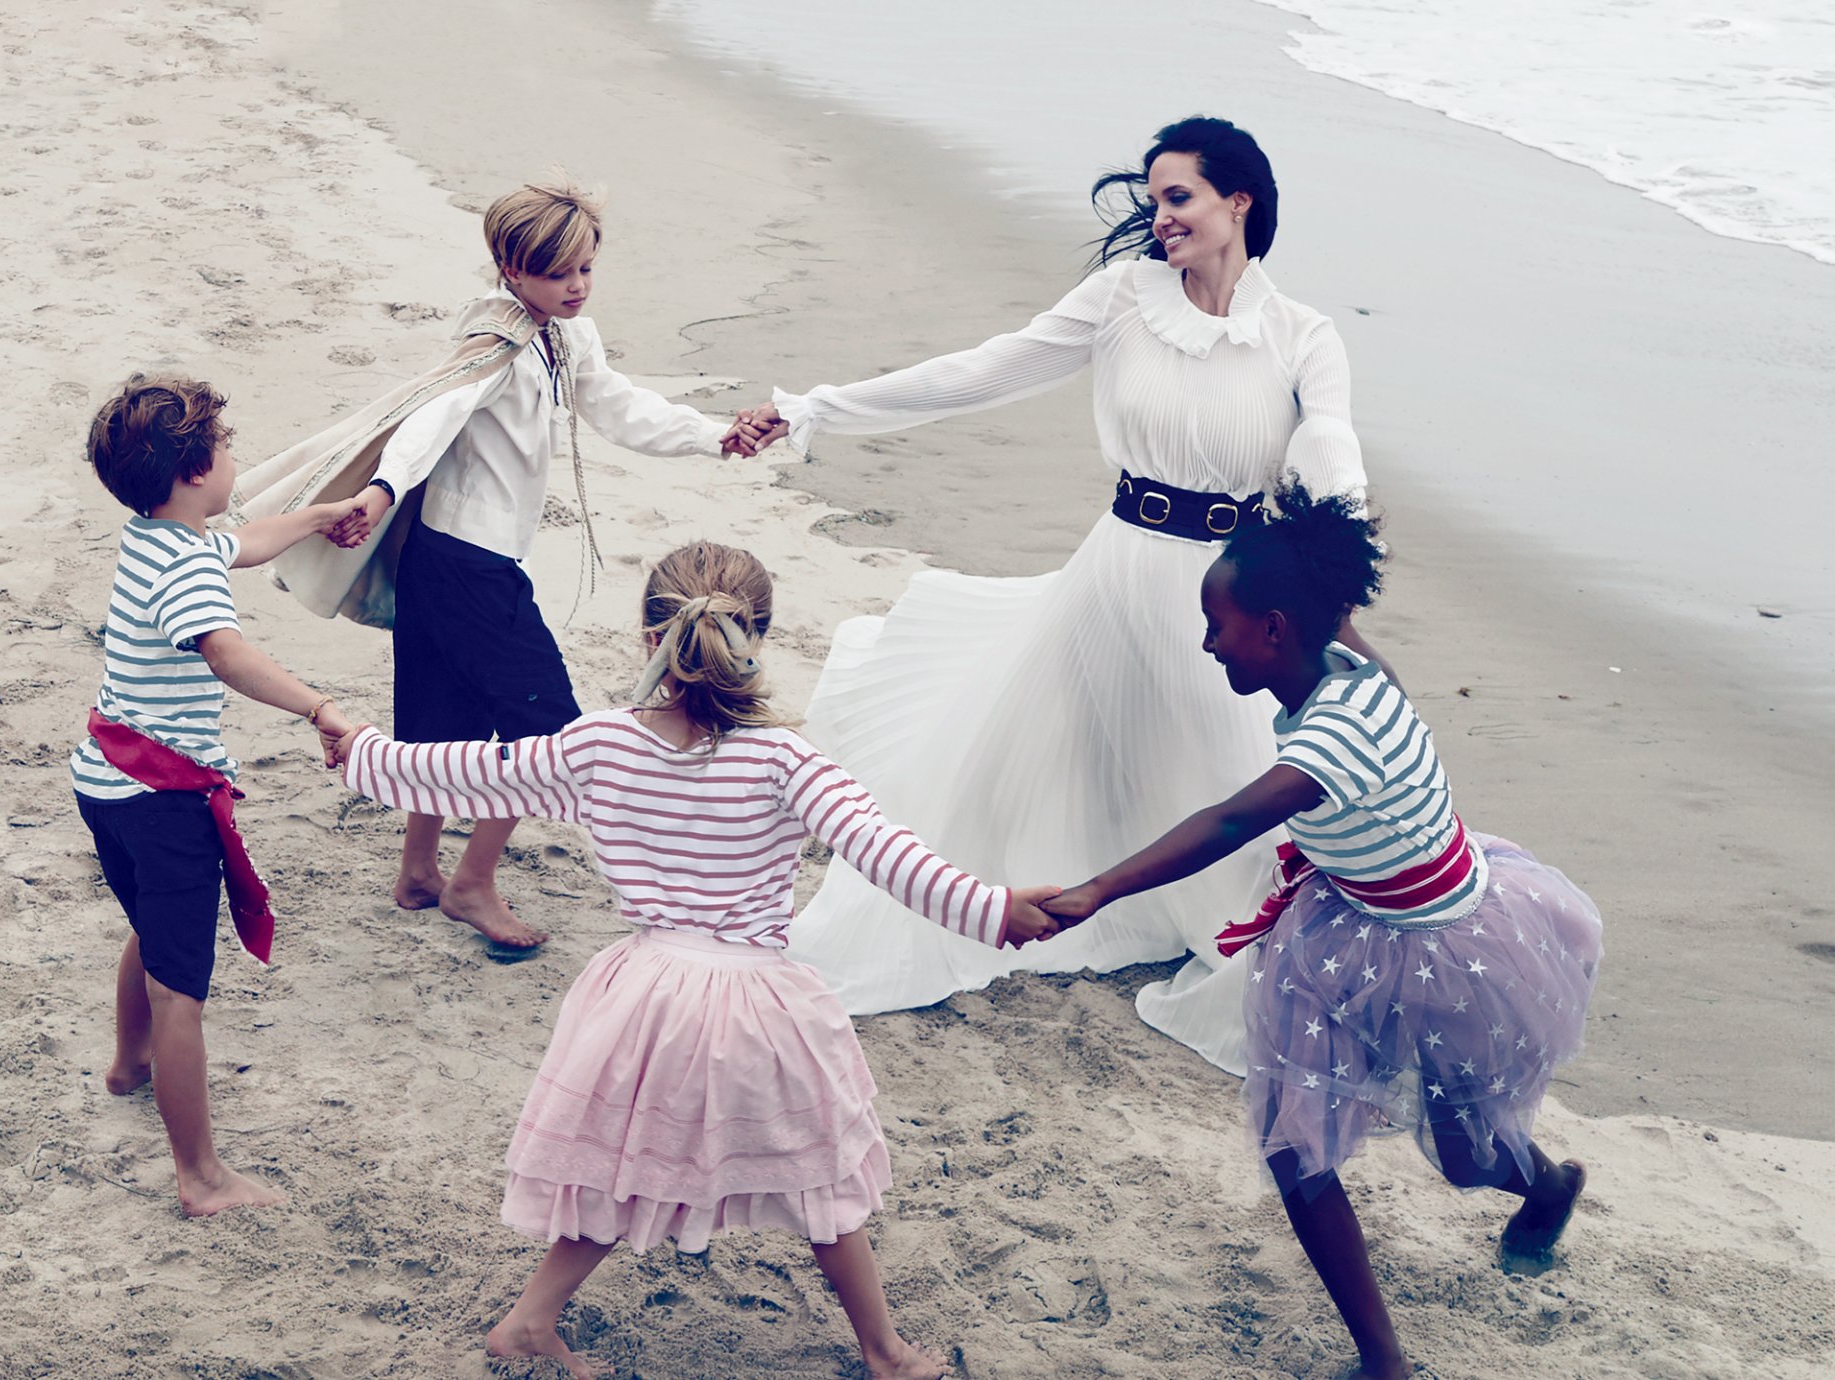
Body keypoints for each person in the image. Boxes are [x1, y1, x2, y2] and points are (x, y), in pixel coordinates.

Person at [740, 116, 1382, 1073]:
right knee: (1027, 760)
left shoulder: (1303, 335)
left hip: (1230, 588)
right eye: (1153, 200)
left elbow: (1328, 446)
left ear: (1238, 199)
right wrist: (816, 410)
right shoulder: (1124, 297)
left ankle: (1218, 933)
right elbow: (982, 372)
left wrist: (1343, 553)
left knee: (1226, 773)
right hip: (1118, 568)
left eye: (1180, 197)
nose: (1160, 217)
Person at [331, 541, 1059, 1376]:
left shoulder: (597, 745)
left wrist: (356, 748)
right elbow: (887, 854)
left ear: (648, 637)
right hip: (755, 1005)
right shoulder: (785, 758)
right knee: (819, 1182)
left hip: (642, 999)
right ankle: (886, 1351)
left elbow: (460, 775)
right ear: (761, 638)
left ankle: (531, 1320)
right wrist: (995, 912)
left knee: (623, 1170)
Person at [1040, 483, 1601, 1380]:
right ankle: (1385, 1360)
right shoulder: (1346, 661)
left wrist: (1098, 890)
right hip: (1360, 916)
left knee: (1465, 1151)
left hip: (1453, 950)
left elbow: (1229, 822)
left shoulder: (1338, 737)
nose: (1207, 642)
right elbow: (1330, 607)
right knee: (1296, 1151)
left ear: (1273, 630)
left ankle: (1549, 1183)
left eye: (1217, 626)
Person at [288, 174, 769, 951]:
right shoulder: (498, 342)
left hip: (449, 562)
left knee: (442, 721)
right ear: (510, 270)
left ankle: (418, 873)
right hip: (467, 568)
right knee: (546, 734)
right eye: (557, 273)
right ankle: (470, 883)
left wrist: (714, 435)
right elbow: (430, 416)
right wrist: (380, 492)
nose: (576, 285)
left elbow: (618, 406)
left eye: (586, 267)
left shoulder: (566, 333)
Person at [70, 375, 364, 1217]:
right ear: (198, 468)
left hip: (106, 778)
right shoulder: (188, 576)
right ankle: (200, 1176)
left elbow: (245, 541)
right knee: (181, 988)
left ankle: (128, 1065)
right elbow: (227, 654)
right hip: (162, 801)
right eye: (228, 448)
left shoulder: (159, 539)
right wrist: (318, 705)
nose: (236, 460)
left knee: (151, 934)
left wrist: (315, 516)